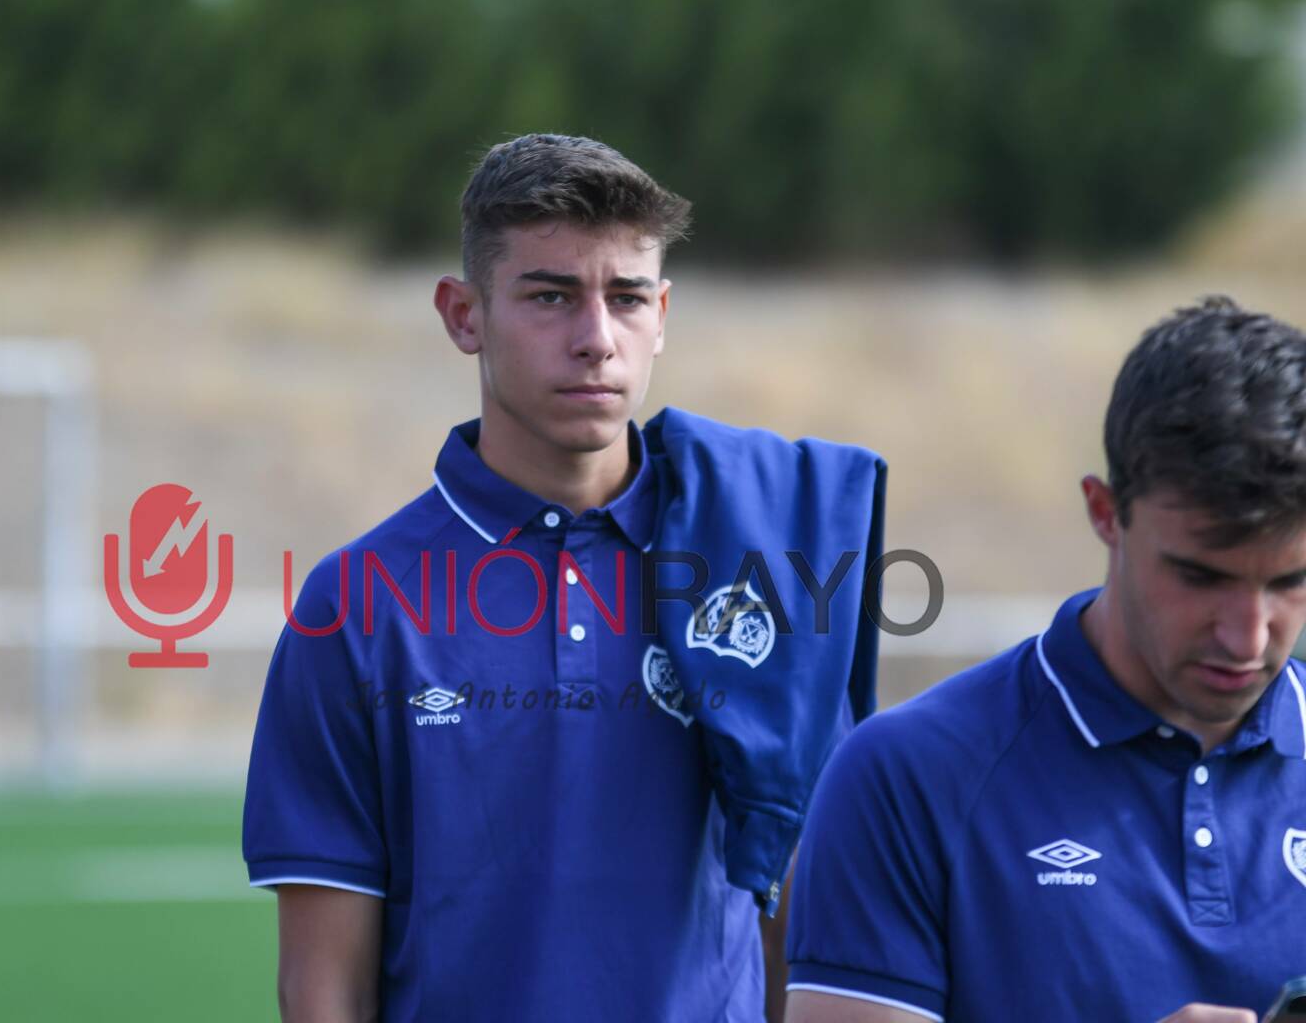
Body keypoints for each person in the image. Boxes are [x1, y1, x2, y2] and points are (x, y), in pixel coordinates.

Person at [242, 133, 883, 1022]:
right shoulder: (354, 605)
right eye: (550, 297)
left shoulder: (762, 563)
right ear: (464, 315)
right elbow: (323, 984)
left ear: (662, 312)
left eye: (626, 300)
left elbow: (800, 900)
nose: (596, 340)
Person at [783, 297, 1306, 1023]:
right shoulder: (907, 777)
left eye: (1289, 581)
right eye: (1201, 577)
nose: (1249, 639)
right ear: (1104, 512)